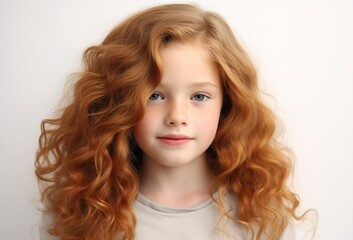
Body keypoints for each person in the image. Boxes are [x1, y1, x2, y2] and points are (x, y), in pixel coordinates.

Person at [35, 3, 310, 240]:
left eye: (199, 96)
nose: (177, 116)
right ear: (118, 102)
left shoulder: (265, 219)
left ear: (229, 103)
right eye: (154, 95)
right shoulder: (78, 217)